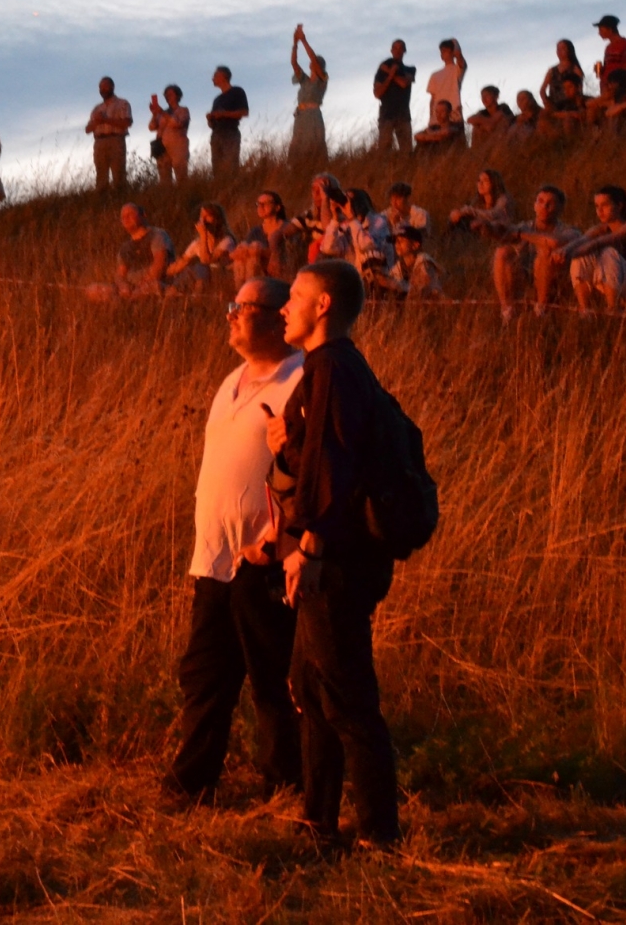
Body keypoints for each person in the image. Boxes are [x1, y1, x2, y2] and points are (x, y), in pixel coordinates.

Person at [267, 259, 402, 847]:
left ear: (323, 306)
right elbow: (315, 456)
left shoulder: (333, 367)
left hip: (337, 561)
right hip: (331, 554)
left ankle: (378, 832)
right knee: (312, 688)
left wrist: (310, 547)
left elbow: (331, 466)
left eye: (295, 296)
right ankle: (317, 820)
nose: (284, 307)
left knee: (346, 697)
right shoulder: (330, 368)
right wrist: (284, 446)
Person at [166, 277, 304, 803]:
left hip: (263, 560)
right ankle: (192, 783)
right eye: (232, 305)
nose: (230, 315)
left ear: (275, 318)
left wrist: (277, 538)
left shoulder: (299, 382)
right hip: (214, 559)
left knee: (272, 678)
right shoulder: (231, 381)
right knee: (204, 675)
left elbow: (311, 470)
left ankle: (286, 786)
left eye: (241, 307)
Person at [486, 185, 583, 321]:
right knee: (502, 253)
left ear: (560, 209)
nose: (544, 207)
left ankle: (541, 311)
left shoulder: (569, 231)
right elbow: (504, 234)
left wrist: (521, 234)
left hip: (557, 284)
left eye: (550, 203)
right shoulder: (525, 226)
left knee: (545, 253)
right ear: (534, 205)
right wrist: (489, 227)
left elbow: (554, 242)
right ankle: (508, 311)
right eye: (540, 201)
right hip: (526, 280)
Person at [558, 185, 626, 314]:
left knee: (608, 253)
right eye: (597, 206)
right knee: (580, 257)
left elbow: (611, 238)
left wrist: (585, 247)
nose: (600, 210)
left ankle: (612, 310)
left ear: (619, 206)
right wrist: (564, 250)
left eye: (605, 205)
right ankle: (585, 310)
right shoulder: (600, 228)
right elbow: (582, 240)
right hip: (613, 283)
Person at [319, 188, 394, 282]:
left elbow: (365, 245)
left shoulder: (378, 221)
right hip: (357, 279)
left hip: (382, 277)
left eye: (350, 201)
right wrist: (335, 220)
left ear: (361, 204)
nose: (347, 205)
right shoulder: (346, 226)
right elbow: (328, 248)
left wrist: (352, 219)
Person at [110, 203, 176, 298]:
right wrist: (123, 285)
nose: (126, 218)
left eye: (130, 214)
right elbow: (120, 274)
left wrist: (141, 285)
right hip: (131, 287)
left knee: (153, 287)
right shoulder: (125, 247)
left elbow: (159, 265)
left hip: (154, 283)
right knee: (94, 290)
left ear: (142, 215)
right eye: (123, 217)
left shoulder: (157, 235)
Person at [239, 190, 307, 282]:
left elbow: (292, 253)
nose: (260, 207)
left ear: (277, 207)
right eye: (258, 204)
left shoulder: (288, 228)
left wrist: (260, 251)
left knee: (255, 249)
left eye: (265, 204)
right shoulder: (256, 231)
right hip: (260, 269)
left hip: (283, 267)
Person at [168, 203, 237, 291]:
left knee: (200, 267)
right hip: (202, 277)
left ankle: (198, 294)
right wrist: (166, 271)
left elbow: (206, 260)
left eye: (207, 216)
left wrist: (203, 235)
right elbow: (181, 262)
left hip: (221, 278)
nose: (203, 220)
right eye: (201, 216)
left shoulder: (227, 241)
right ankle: (173, 292)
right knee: (187, 270)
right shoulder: (198, 243)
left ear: (217, 219)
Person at [289, 25, 329, 167]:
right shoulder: (305, 80)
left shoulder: (323, 79)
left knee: (314, 144)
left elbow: (312, 57)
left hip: (313, 115)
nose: (312, 62)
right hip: (301, 116)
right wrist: (295, 43)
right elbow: (294, 63)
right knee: (298, 144)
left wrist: (304, 40)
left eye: (316, 62)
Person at [369, 226, 444, 301]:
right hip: (414, 302)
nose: (397, 244)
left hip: (431, 302)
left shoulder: (424, 261)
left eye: (401, 241)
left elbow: (422, 289)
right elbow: (393, 279)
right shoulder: (400, 265)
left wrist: (394, 285)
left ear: (415, 245)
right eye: (395, 241)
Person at [87, 77, 134, 192]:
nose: (102, 89)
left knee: (118, 174)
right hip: (99, 142)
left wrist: (105, 120)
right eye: (100, 87)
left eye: (105, 86)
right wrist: (96, 122)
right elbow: (87, 129)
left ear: (112, 87)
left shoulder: (122, 104)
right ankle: (102, 199)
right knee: (101, 176)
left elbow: (127, 123)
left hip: (116, 140)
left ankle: (121, 198)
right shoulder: (97, 108)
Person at [206, 66, 249, 179]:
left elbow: (244, 112)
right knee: (217, 168)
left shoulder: (237, 91)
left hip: (230, 133)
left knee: (231, 166)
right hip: (216, 134)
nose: (212, 78)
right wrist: (210, 119)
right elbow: (211, 125)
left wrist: (223, 114)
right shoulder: (217, 99)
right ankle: (221, 187)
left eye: (215, 75)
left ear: (223, 76)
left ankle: (233, 188)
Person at [372, 40, 415, 151]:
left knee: (406, 149)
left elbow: (404, 83)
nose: (398, 51)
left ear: (404, 50)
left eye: (400, 48)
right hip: (386, 113)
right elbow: (377, 93)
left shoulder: (409, 69)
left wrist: (390, 73)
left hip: (403, 113)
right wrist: (390, 75)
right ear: (391, 50)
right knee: (384, 149)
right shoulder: (381, 71)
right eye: (395, 48)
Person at [449, 169, 514, 238]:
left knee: (480, 224)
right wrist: (457, 214)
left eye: (485, 180)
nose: (480, 183)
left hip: (501, 232)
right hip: (479, 232)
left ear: (494, 182)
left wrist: (468, 211)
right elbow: (471, 212)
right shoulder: (478, 200)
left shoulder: (504, 199)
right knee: (459, 220)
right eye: (479, 180)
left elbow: (493, 215)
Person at [148, 84, 191, 187]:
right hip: (162, 146)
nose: (168, 96)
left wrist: (162, 112)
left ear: (178, 95)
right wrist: (154, 114)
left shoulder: (183, 110)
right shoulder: (162, 112)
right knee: (164, 177)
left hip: (178, 145)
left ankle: (184, 194)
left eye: (170, 94)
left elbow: (177, 123)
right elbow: (151, 127)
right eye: (166, 94)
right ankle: (167, 195)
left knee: (181, 174)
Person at [424, 38, 467, 125]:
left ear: (452, 52)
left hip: (454, 112)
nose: (442, 53)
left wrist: (454, 42)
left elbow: (460, 58)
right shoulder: (435, 75)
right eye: (441, 51)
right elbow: (433, 98)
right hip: (437, 115)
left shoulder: (456, 70)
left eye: (445, 50)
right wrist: (431, 116)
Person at [539, 39, 585, 109]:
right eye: (558, 49)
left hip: (571, 106)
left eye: (563, 48)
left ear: (569, 50)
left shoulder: (575, 69)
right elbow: (542, 90)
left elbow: (580, 90)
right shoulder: (552, 71)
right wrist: (547, 103)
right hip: (555, 106)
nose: (559, 51)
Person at [594, 15, 626, 86]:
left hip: (618, 86)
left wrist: (622, 83)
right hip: (606, 86)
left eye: (601, 30)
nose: (599, 33)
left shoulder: (624, 43)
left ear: (610, 29)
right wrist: (601, 70)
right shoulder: (608, 47)